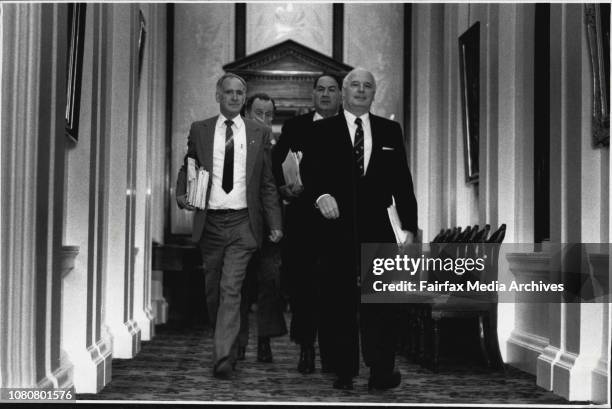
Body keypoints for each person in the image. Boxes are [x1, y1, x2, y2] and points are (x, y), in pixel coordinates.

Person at [302, 68, 418, 390]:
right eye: (355, 85)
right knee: (338, 302)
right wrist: (321, 196)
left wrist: (410, 227)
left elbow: (403, 184)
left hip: (379, 228)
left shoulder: (390, 130)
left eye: (368, 86)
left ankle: (381, 370)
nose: (361, 90)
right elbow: (309, 174)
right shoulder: (322, 131)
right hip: (335, 229)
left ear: (374, 93)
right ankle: (344, 370)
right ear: (343, 91)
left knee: (381, 302)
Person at [175, 73, 283, 379]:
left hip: (243, 223)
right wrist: (182, 192)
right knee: (214, 293)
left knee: (230, 287)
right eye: (229, 92)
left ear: (243, 98)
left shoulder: (259, 132)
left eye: (239, 93)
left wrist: (275, 223)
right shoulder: (201, 129)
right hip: (210, 222)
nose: (234, 97)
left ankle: (222, 356)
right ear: (218, 95)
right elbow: (190, 164)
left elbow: (267, 182)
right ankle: (230, 343)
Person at [272, 73, 341, 374]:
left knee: (333, 291)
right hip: (302, 223)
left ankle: (331, 351)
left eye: (332, 90)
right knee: (303, 289)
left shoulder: (350, 130)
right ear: (312, 95)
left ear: (340, 95)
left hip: (338, 225)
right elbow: (276, 165)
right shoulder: (295, 126)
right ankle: (306, 348)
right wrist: (283, 189)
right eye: (320, 90)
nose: (326, 95)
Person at [237, 93, 287, 363]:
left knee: (270, 284)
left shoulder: (277, 148)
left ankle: (264, 341)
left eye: (269, 115)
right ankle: (241, 342)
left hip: (270, 232)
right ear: (247, 114)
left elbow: (275, 187)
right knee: (241, 287)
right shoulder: (238, 143)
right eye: (259, 113)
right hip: (242, 227)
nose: (265, 120)